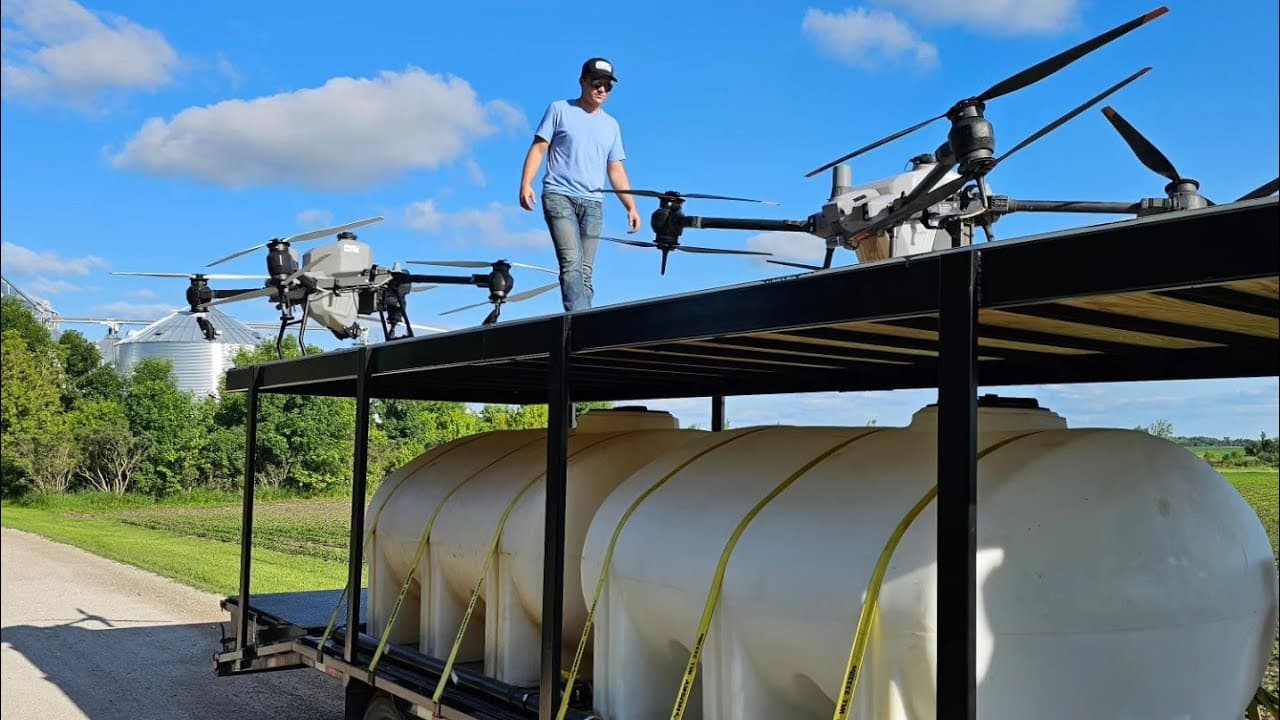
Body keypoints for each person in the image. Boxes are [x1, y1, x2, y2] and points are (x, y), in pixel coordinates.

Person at [519, 57, 641, 312]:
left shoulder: (611, 125)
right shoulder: (559, 109)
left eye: (608, 86)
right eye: (597, 83)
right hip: (559, 195)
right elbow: (539, 148)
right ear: (582, 81)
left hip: (594, 202)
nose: (601, 90)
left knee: (586, 269)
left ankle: (584, 322)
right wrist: (526, 183)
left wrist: (631, 206)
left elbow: (615, 169)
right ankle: (580, 320)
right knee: (571, 262)